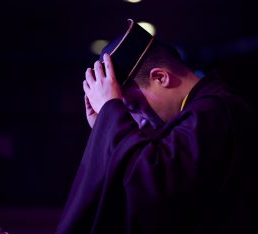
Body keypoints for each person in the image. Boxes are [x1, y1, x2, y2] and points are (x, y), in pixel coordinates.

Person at [55, 20, 257, 234]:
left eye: (135, 106)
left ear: (160, 77)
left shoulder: (216, 112)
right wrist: (105, 129)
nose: (140, 121)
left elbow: (155, 185)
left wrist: (112, 117)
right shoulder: (202, 112)